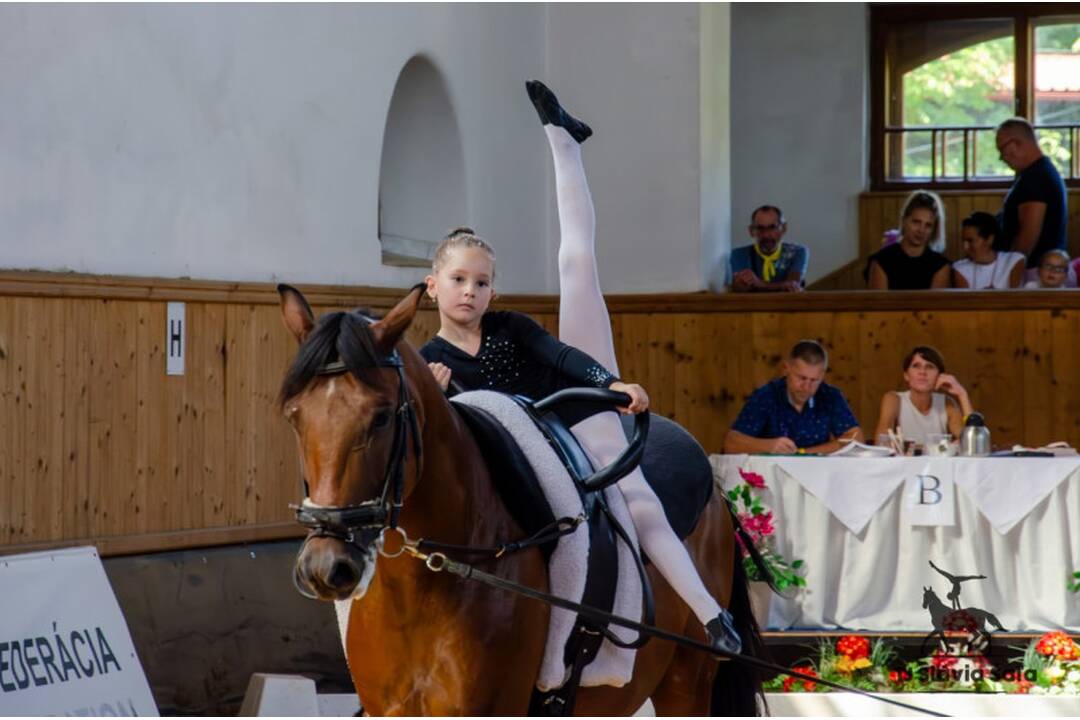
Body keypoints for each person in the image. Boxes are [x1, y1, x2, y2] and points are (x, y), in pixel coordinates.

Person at [421, 80, 742, 655]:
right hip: (522, 460)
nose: (470, 292)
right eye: (458, 280)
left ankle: (711, 614)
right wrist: (436, 399)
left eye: (482, 282)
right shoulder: (429, 366)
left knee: (577, 266)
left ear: (493, 290)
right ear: (432, 287)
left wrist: (609, 385)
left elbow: (562, 357)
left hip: (572, 413)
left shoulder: (510, 326)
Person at [723, 340, 863, 454]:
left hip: (817, 475)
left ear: (823, 375)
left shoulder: (830, 395)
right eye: (801, 378)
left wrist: (803, 453)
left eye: (814, 380)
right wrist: (768, 446)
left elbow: (856, 439)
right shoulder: (766, 395)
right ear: (786, 369)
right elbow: (731, 443)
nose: (806, 387)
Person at [995, 118, 1067, 277]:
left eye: (1002, 150)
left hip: (1034, 273)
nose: (1002, 158)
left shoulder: (1036, 178)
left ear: (1015, 144)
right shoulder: (1040, 172)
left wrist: (1005, 274)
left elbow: (1027, 237)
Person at [872, 346, 974, 446]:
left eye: (929, 366)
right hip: (903, 463)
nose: (922, 372)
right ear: (906, 375)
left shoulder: (946, 402)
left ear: (940, 376)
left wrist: (962, 394)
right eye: (916, 366)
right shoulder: (894, 399)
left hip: (936, 463)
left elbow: (973, 443)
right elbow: (882, 442)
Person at [865, 191, 951, 290]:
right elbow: (878, 304)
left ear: (934, 229)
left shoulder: (940, 265)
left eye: (928, 225)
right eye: (916, 222)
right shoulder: (881, 261)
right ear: (904, 220)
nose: (921, 230)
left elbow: (934, 304)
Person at [728, 206, 808, 292]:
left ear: (784, 228)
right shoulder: (738, 254)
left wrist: (760, 284)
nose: (766, 235)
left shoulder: (798, 252)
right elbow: (740, 289)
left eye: (773, 227)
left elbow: (792, 285)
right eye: (760, 228)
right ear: (751, 231)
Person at [952, 211, 1025, 289]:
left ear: (990, 239)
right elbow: (965, 300)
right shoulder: (959, 268)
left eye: (970, 241)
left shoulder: (1014, 260)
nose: (965, 247)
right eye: (964, 241)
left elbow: (1015, 297)